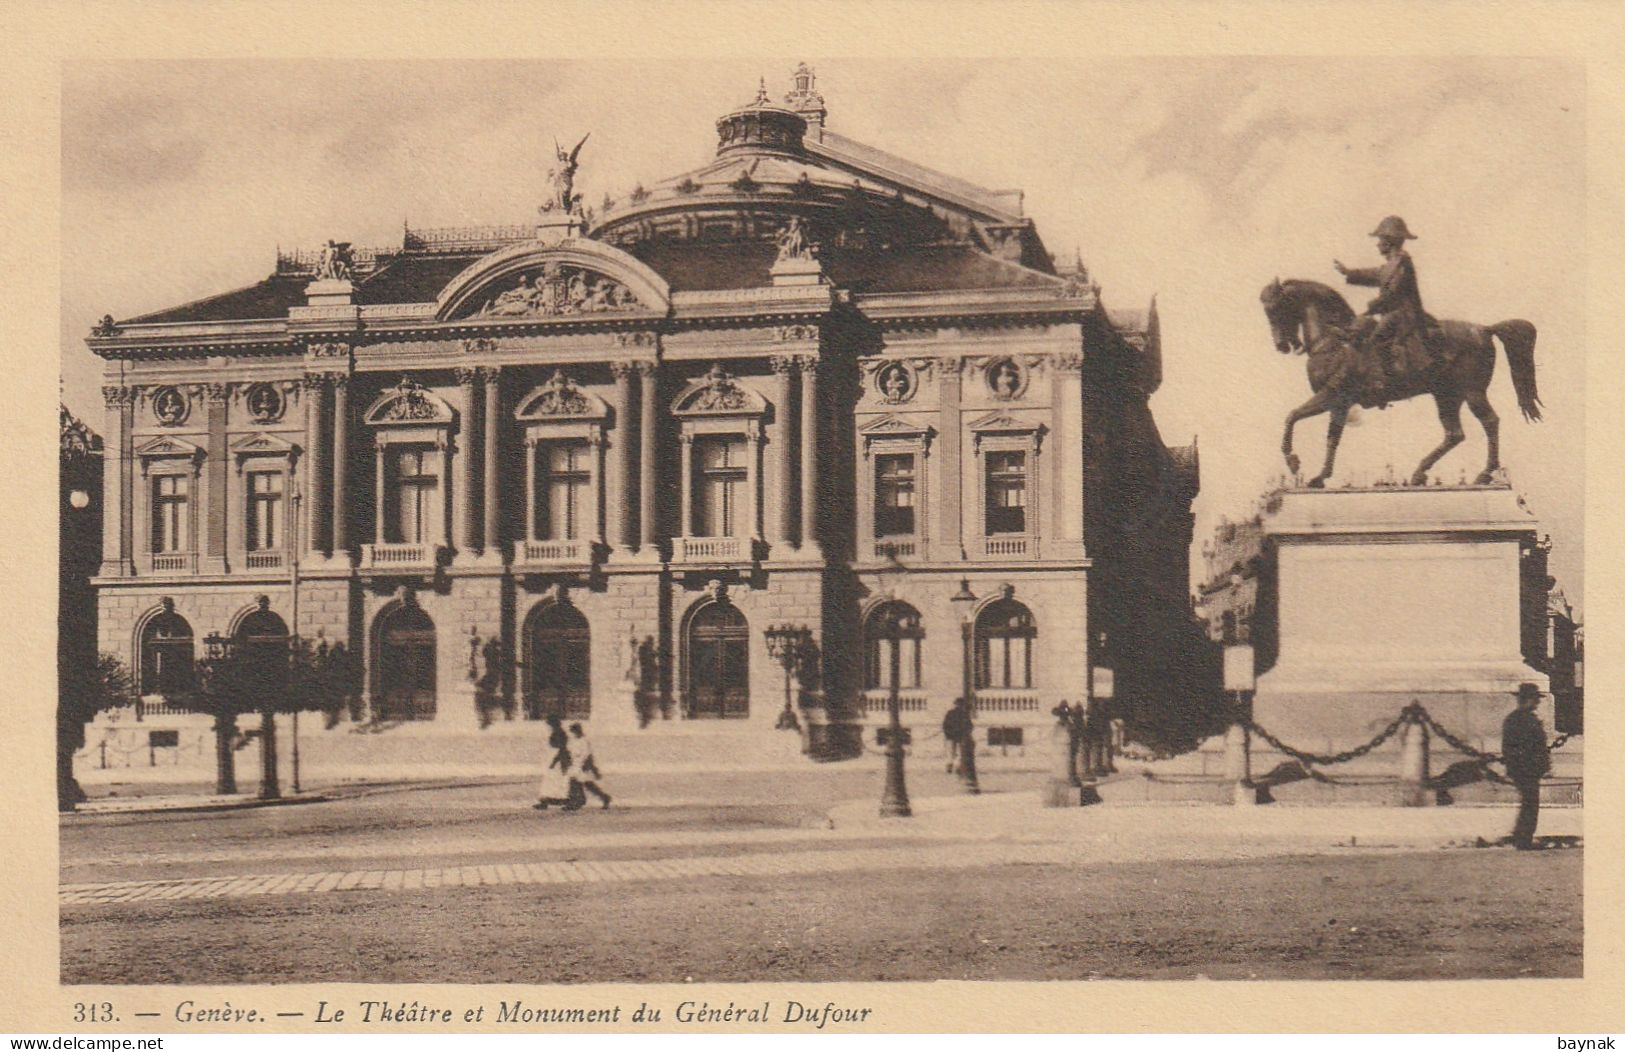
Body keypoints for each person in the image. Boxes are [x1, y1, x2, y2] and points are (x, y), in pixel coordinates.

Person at [1333, 215, 1428, 399]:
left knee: (1373, 339)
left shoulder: (1400, 262)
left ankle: (1383, 382)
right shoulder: (1392, 263)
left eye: (1380, 240)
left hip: (1403, 314)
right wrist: (1349, 272)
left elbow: (1392, 293)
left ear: (1389, 242)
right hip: (1393, 312)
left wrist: (1371, 308)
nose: (1378, 244)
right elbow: (1375, 274)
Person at [1501, 682, 1551, 850]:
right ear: (1528, 699)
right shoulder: (1523, 720)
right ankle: (1523, 840)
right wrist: (1537, 765)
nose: (1537, 703)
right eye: (1535, 699)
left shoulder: (1515, 718)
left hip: (1524, 769)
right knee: (1530, 804)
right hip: (1526, 770)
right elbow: (1525, 747)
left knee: (1529, 803)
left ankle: (1521, 837)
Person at [533, 715, 581, 811]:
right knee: (552, 781)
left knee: (557, 781)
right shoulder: (557, 732)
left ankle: (551, 801)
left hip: (560, 760)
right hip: (557, 758)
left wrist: (554, 762)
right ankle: (545, 801)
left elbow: (561, 749)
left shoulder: (559, 733)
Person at [568, 723, 612, 810]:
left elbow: (586, 754)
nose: (573, 733)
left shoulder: (584, 741)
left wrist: (584, 765)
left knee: (579, 782)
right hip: (576, 763)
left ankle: (578, 801)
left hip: (582, 764)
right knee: (585, 784)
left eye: (574, 731)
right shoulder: (575, 740)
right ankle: (603, 798)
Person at [942, 697, 971, 774]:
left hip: (952, 736)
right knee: (957, 753)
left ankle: (951, 767)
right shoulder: (963, 714)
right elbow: (969, 725)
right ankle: (956, 767)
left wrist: (947, 734)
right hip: (958, 737)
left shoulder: (951, 713)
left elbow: (945, 725)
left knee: (952, 753)